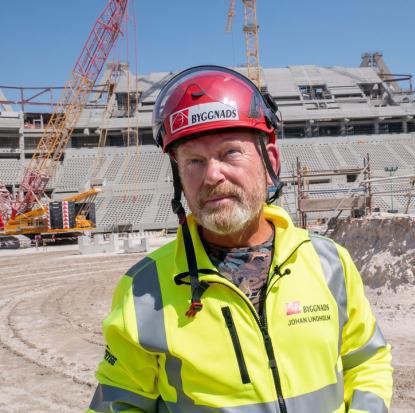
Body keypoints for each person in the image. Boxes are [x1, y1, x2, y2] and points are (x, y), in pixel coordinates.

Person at [88, 65, 393, 413]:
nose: (212, 175)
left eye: (230, 152)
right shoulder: (143, 291)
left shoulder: (329, 264)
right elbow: (118, 404)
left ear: (270, 162)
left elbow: (367, 363)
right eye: (194, 161)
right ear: (179, 177)